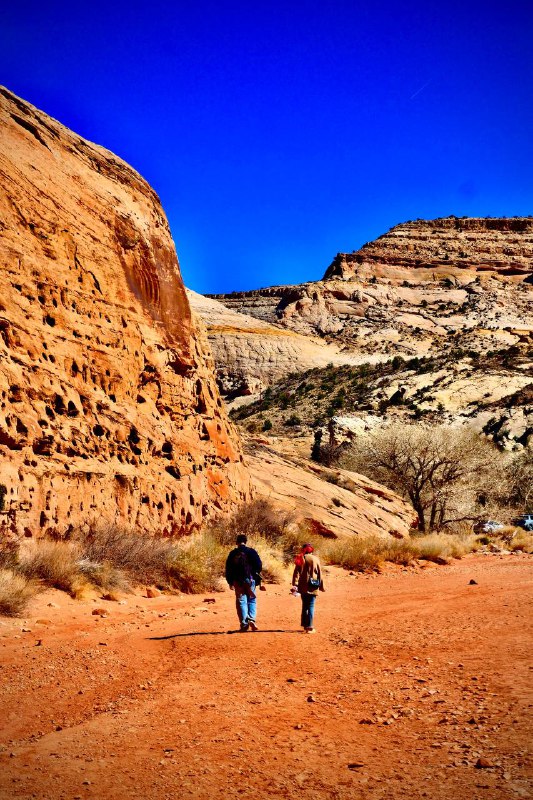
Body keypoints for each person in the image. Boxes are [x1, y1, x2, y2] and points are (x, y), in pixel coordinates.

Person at [225, 534, 262, 632]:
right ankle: (251, 618)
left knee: (241, 601)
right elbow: (259, 565)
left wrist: (230, 581)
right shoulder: (252, 552)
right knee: (252, 599)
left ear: (236, 542)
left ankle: (244, 623)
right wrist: (255, 575)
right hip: (250, 580)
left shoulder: (233, 553)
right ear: (245, 542)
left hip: (237, 581)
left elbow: (228, 568)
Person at [291, 543, 325, 633]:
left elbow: (296, 573)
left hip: (302, 586)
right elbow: (320, 574)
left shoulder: (300, 558)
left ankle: (305, 625)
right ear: (311, 550)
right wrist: (322, 586)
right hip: (313, 585)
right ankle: (309, 627)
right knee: (311, 605)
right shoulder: (315, 559)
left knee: (305, 605)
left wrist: (295, 585)